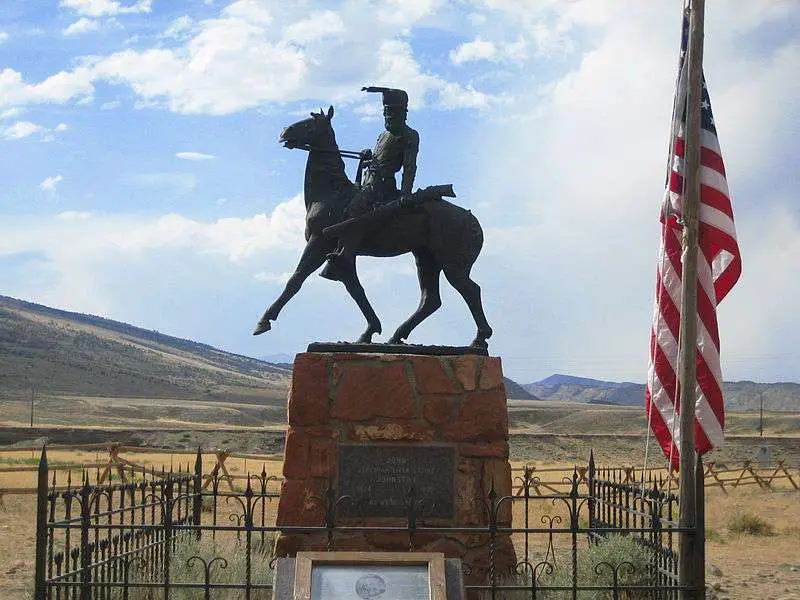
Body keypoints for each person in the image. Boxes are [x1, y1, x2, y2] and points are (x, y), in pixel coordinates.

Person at [319, 86, 419, 281]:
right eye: (385, 113)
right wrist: (368, 156)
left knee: (354, 209)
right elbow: (379, 158)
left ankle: (344, 256)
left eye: (391, 113)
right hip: (368, 182)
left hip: (382, 186)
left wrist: (406, 193)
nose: (387, 117)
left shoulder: (409, 135)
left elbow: (409, 167)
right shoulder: (383, 135)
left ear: (402, 114)